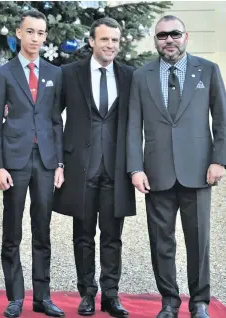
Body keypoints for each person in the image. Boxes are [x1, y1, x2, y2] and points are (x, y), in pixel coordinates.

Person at [127, 15, 226, 318]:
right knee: (162, 242)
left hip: (198, 172)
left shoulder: (208, 71)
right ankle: (169, 301)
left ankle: (199, 302)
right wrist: (135, 168)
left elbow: (222, 120)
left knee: (198, 243)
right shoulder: (141, 76)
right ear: (155, 40)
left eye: (174, 34)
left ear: (186, 37)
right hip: (156, 173)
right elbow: (133, 126)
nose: (168, 40)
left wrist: (219, 160)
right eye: (161, 36)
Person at [53, 17, 136, 317]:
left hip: (116, 169)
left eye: (115, 40)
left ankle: (111, 296)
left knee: (113, 237)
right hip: (80, 168)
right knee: (83, 236)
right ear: (91, 41)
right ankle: (87, 293)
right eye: (105, 40)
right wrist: (58, 161)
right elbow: (51, 118)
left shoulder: (130, 76)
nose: (111, 45)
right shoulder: (68, 74)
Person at [0, 9, 65, 318]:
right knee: (12, 231)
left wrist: (59, 162)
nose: (36, 38)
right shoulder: (3, 73)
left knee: (42, 230)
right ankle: (15, 297)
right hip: (15, 162)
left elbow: (55, 121)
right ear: (19, 34)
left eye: (41, 33)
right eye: (30, 32)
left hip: (46, 161)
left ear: (45, 36)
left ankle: (43, 297)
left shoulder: (54, 74)